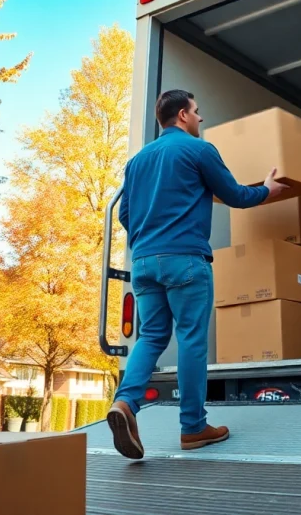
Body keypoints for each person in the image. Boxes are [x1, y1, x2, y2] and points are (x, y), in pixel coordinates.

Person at [107, 89, 288, 460]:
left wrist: (148, 238)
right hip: (185, 260)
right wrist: (267, 190)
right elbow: (235, 195)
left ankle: (125, 402)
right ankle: (193, 427)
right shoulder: (199, 150)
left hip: (143, 262)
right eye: (197, 111)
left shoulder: (136, 162)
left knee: (151, 336)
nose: (200, 118)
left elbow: (124, 214)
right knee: (190, 338)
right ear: (182, 115)